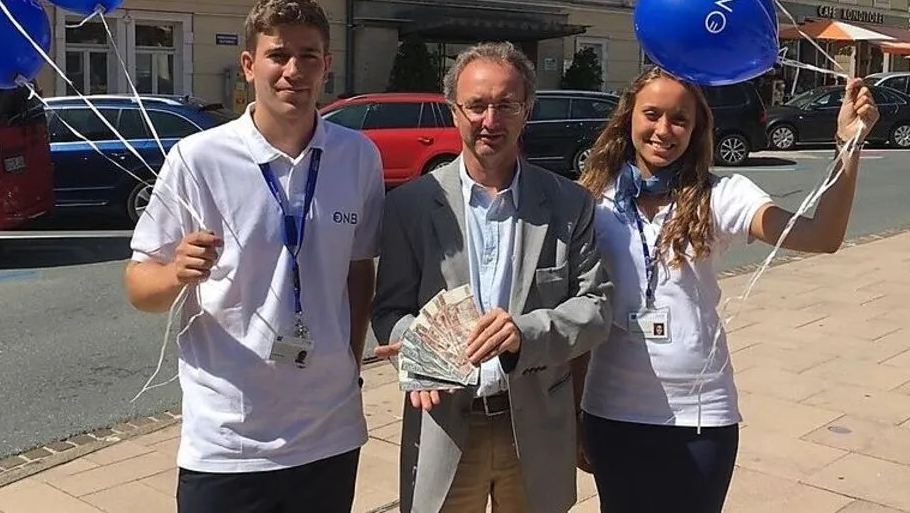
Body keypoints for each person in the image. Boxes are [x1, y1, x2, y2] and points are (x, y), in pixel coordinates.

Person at [123, 0, 385, 513]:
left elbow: (358, 274)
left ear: (327, 66)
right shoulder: (198, 159)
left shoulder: (358, 157)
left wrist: (348, 363)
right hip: (229, 442)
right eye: (278, 55)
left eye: (309, 55)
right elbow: (139, 287)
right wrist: (176, 272)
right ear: (248, 65)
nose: (294, 70)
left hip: (329, 433)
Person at [573, 69, 878, 513]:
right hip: (612, 411)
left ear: (697, 129)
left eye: (680, 119)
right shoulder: (593, 199)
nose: (663, 130)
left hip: (700, 416)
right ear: (628, 118)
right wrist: (575, 412)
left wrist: (848, 147)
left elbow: (821, 235)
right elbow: (580, 313)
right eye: (652, 114)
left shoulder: (721, 195)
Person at [371, 41, 612, 513]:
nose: (490, 120)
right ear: (454, 112)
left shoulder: (569, 204)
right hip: (444, 422)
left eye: (506, 105)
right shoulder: (410, 206)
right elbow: (389, 311)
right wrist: (415, 344)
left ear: (527, 111)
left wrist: (524, 334)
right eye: (477, 106)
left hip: (537, 422)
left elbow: (596, 309)